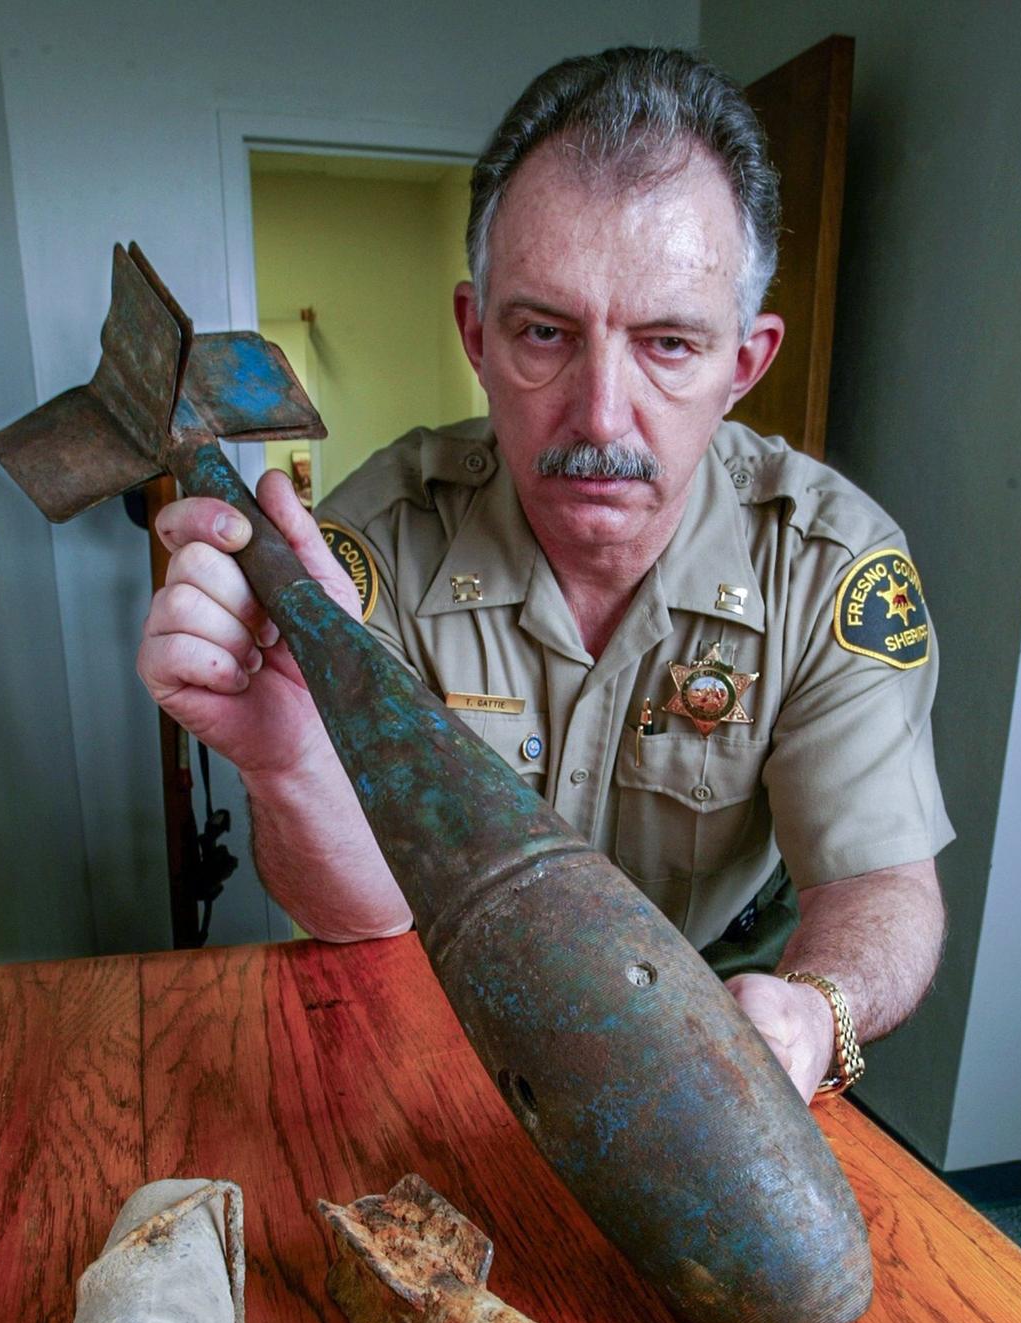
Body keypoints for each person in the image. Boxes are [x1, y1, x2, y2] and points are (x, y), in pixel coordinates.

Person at [138, 46, 952, 1103]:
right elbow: (363, 909)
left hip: (716, 1051)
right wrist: (287, 761)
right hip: (444, 1026)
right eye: (543, 334)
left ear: (744, 365)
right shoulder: (368, 551)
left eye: (668, 344)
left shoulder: (831, 564)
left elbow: (881, 882)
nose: (602, 415)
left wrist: (814, 1011)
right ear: (477, 334)